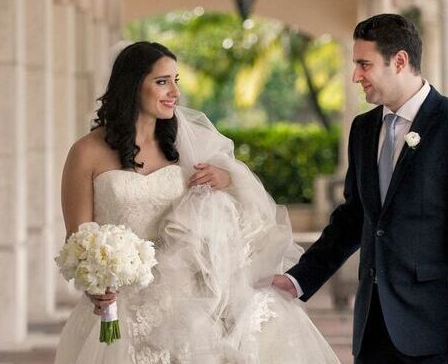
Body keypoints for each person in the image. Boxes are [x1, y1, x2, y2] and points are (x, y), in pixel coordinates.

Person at [55, 41, 340, 364]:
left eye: (177, 80)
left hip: (189, 304)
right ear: (133, 85)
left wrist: (226, 180)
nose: (174, 92)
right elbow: (78, 239)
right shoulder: (86, 152)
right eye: (162, 82)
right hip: (120, 305)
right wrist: (96, 285)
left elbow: (236, 212)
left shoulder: (184, 148)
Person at [272, 14, 448, 364]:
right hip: (372, 325)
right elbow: (353, 218)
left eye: (364, 64)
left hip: (434, 325)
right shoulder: (363, 129)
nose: (355, 76)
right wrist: (299, 279)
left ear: (399, 62)